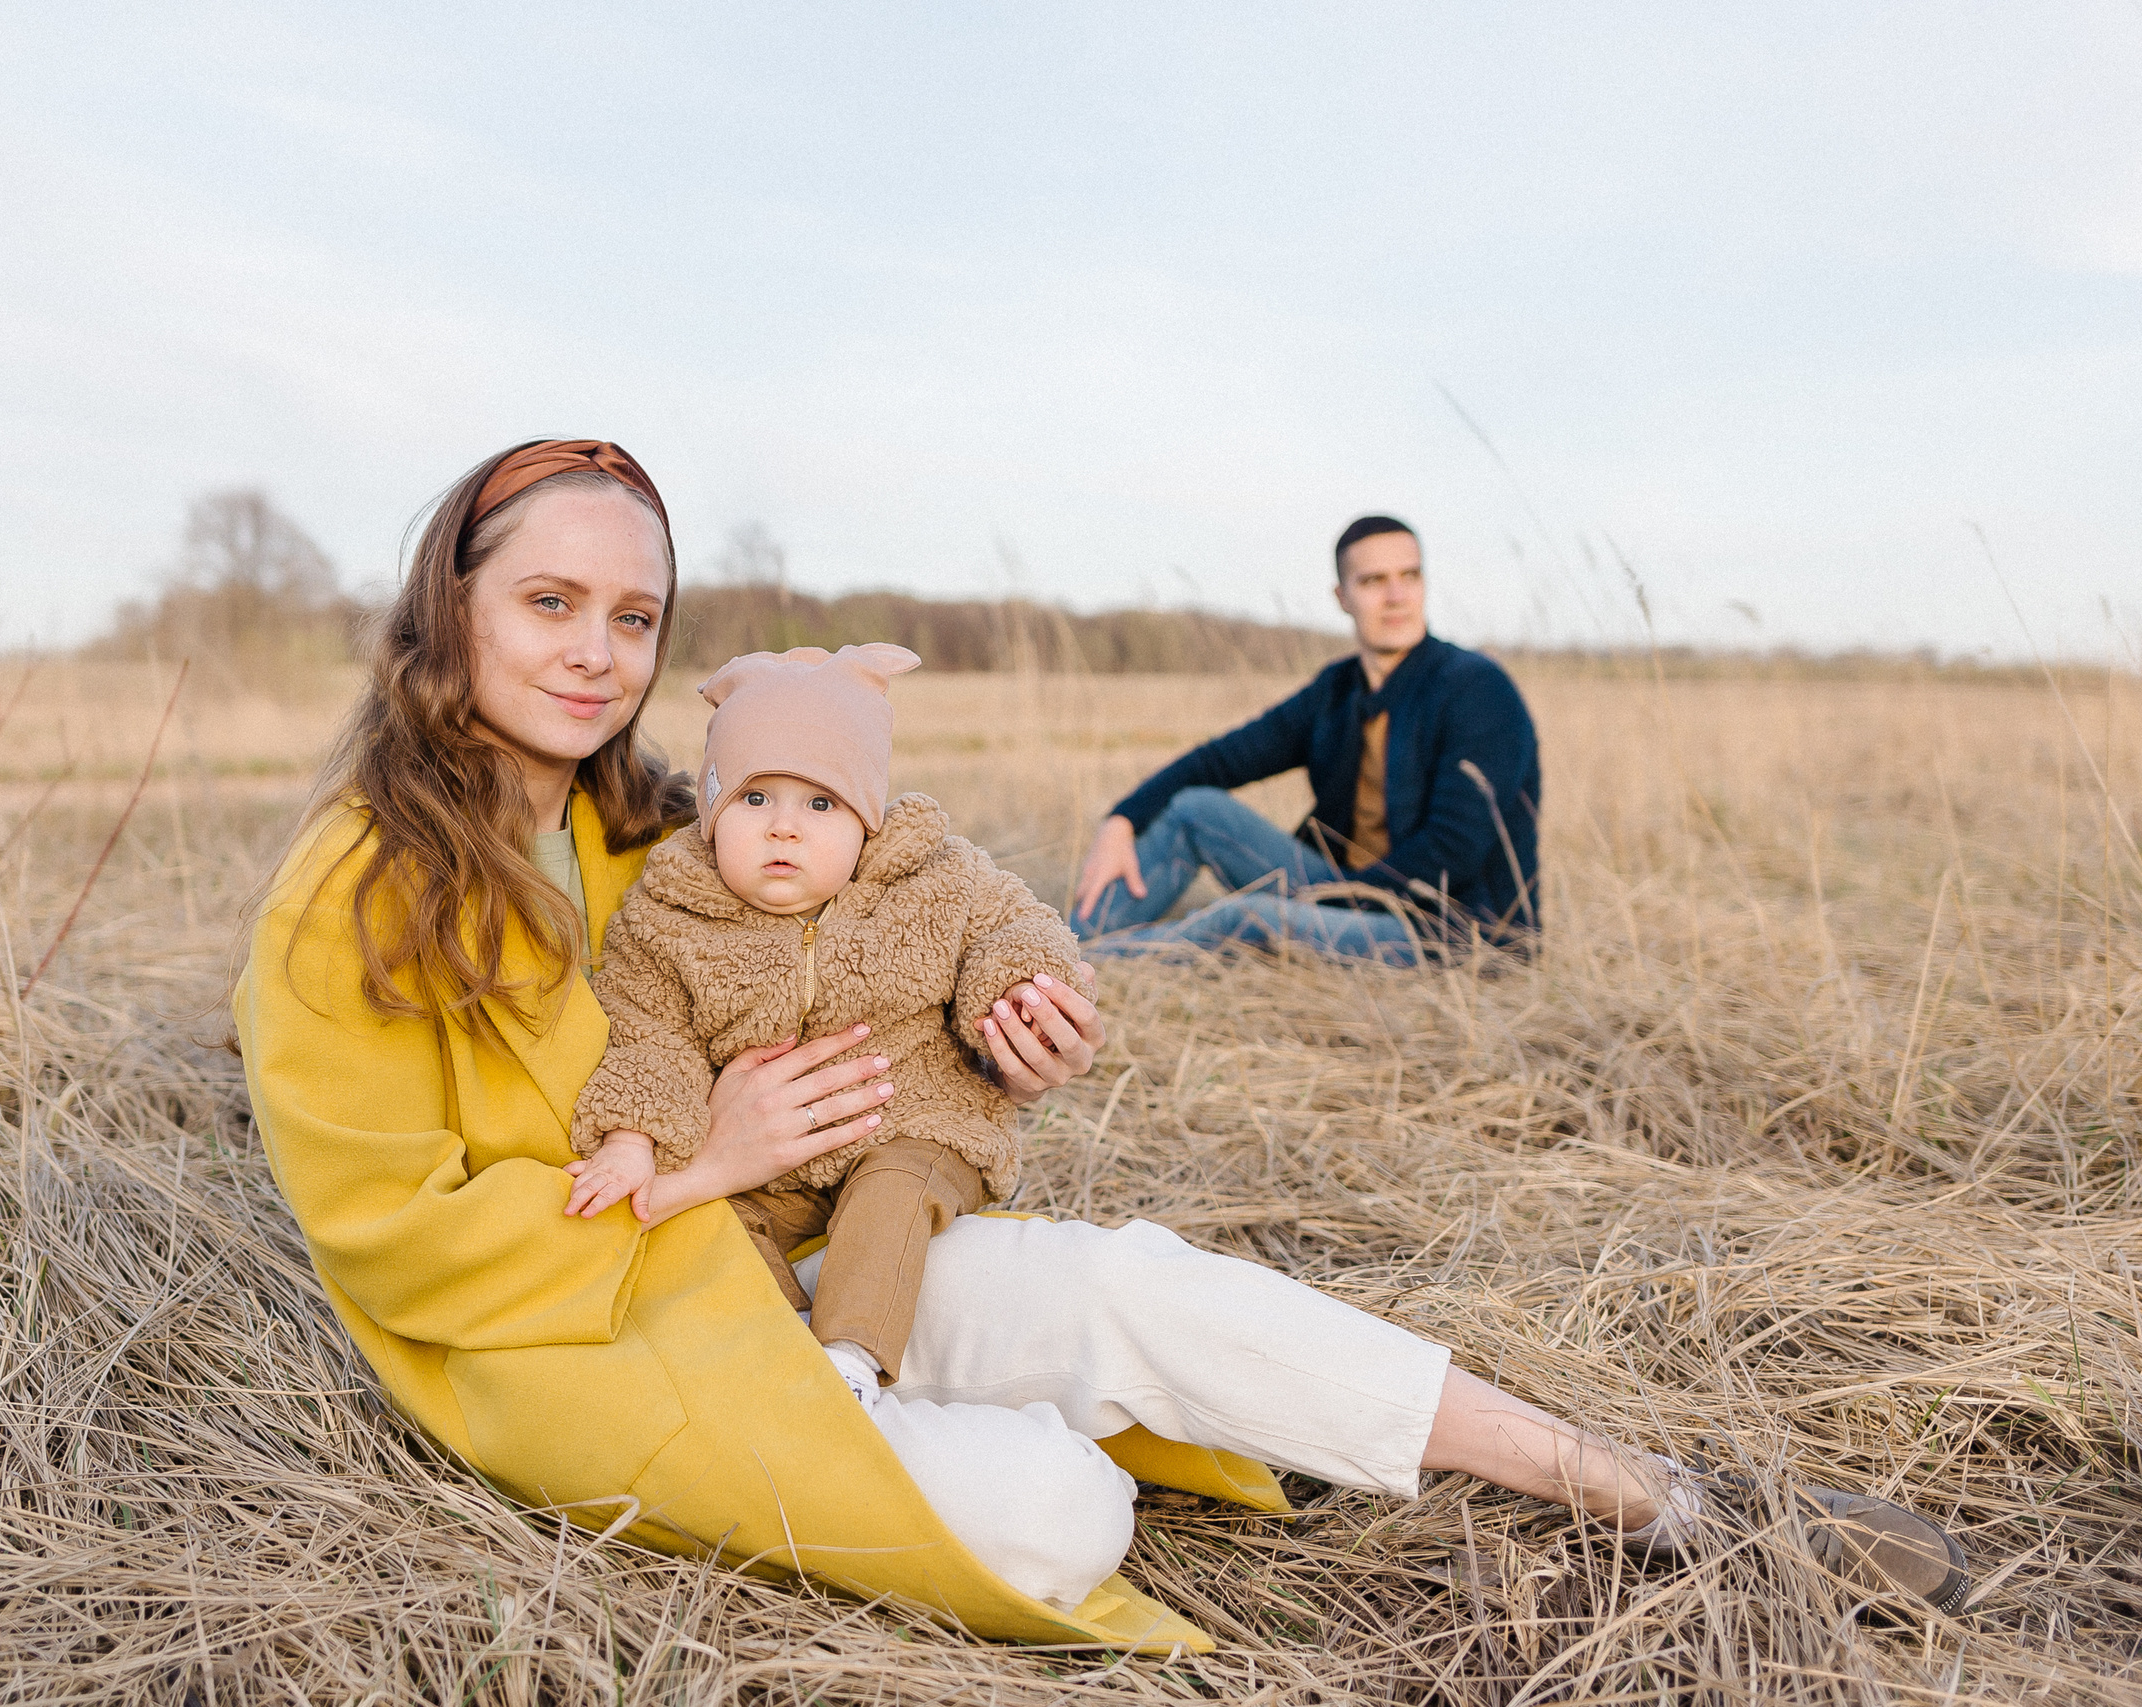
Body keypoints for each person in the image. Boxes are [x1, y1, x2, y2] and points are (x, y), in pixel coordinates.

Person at [233, 442, 1971, 1644]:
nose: (598, 653)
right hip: (585, 1346)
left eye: (633, 617)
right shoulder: (354, 892)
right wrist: (712, 1162)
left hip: (795, 1255)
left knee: (1144, 1282)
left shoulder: (665, 834)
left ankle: (1658, 1491)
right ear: (447, 600)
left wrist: (995, 1028)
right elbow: (399, 1252)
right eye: (551, 604)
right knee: (1064, 1514)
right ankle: (937, 1425)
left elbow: (860, 1008)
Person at [565, 641, 1086, 1408]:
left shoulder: (928, 877)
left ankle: (847, 1357)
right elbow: (648, 1032)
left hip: (915, 1121)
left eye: (819, 803)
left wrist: (1015, 993)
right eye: (754, 799)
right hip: (768, 1171)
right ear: (710, 810)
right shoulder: (671, 914)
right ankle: (775, 1364)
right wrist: (632, 1138)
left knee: (896, 1192)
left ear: (866, 820)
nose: (784, 828)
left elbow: (1013, 927)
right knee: (709, 1227)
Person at [1072, 515, 1541, 964]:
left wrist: (1329, 906)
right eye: (1374, 581)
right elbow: (1222, 760)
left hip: (1452, 931)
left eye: (1410, 575)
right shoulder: (1336, 691)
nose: (1397, 596)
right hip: (1349, 892)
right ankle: (1062, 947)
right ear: (1342, 596)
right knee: (1195, 810)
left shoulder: (1477, 688)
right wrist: (1122, 819)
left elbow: (1452, 849)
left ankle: (1074, 970)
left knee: (1252, 918)